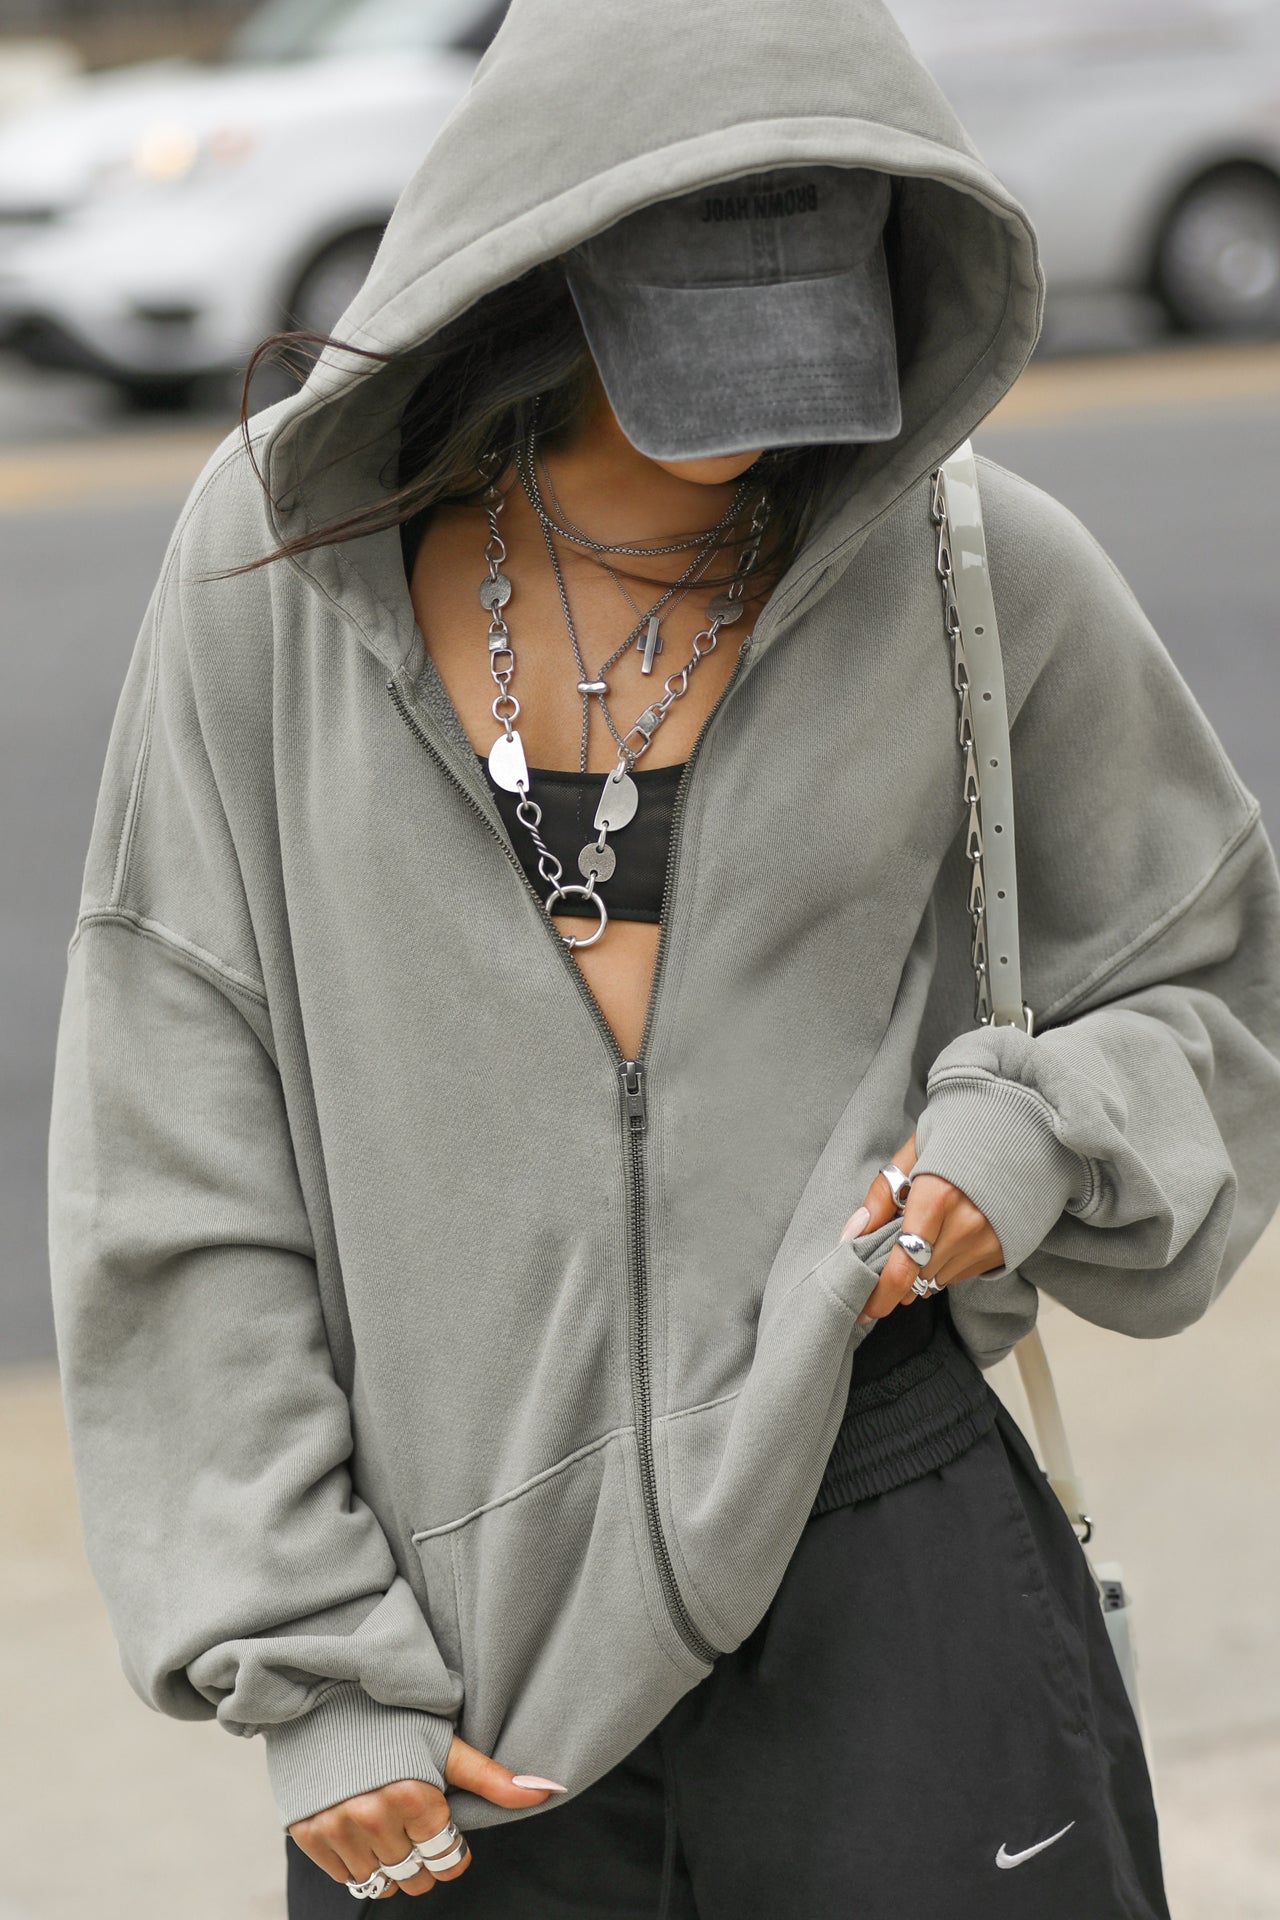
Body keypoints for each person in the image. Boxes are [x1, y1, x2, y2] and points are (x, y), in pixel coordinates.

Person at [46, 0, 1280, 1914]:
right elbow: (174, 1138)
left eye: (819, 333)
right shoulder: (272, 574)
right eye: (698, 356)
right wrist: (301, 1657)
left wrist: (1027, 1131)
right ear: (533, 270)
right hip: (453, 1672)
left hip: (893, 1557)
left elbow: (1216, 980)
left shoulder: (978, 571)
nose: (772, 414)